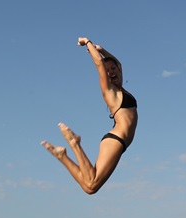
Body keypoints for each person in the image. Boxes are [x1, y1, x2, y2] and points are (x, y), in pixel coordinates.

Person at [41, 37, 138, 194]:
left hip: (120, 143)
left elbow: (118, 63)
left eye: (113, 68)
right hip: (116, 140)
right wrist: (88, 43)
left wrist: (102, 50)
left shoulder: (122, 88)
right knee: (92, 185)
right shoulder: (110, 91)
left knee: (89, 187)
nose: (111, 71)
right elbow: (99, 64)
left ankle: (62, 156)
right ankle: (75, 144)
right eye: (108, 71)